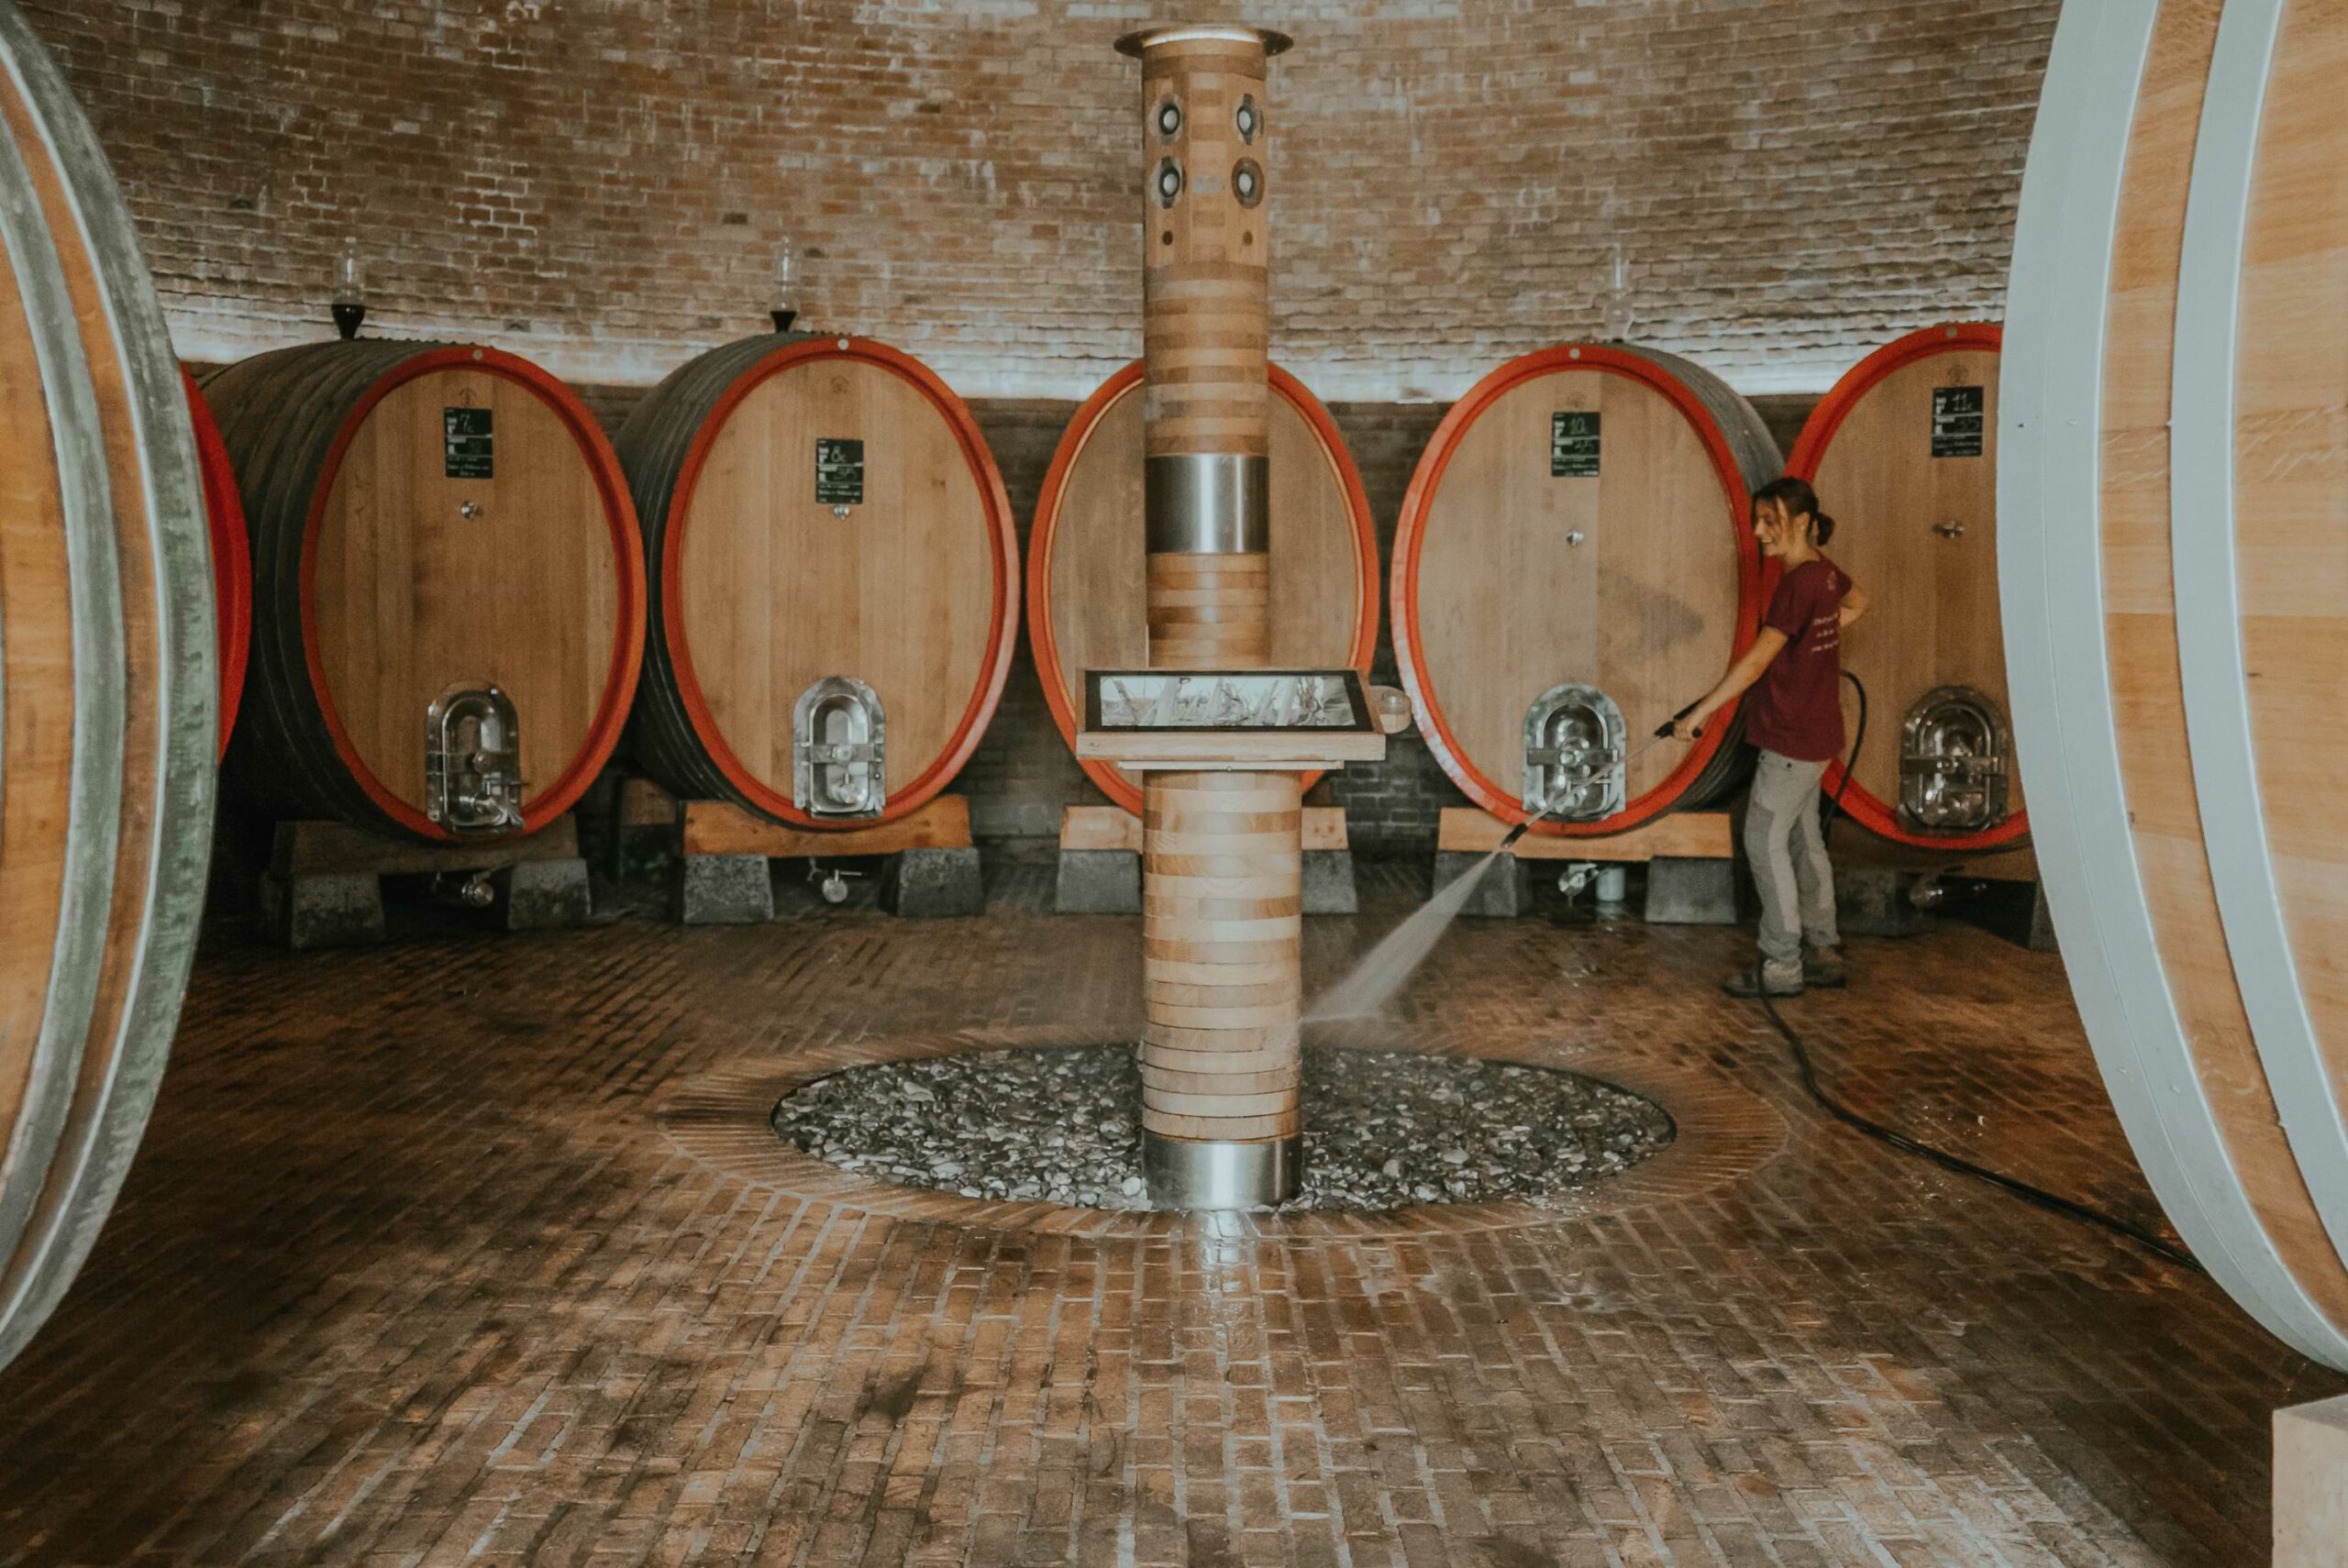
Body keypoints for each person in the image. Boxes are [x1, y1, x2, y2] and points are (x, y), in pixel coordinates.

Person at [1669, 476, 1869, 998]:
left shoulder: (1798, 585)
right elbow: (1860, 604)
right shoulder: (1825, 576)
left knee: (1763, 840)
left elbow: (1756, 662)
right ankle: (1823, 948)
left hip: (1791, 741)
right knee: (1804, 839)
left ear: (1801, 522)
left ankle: (1781, 966)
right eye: (1757, 519)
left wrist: (1699, 712)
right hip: (1821, 735)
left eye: (1770, 520)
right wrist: (1808, 648)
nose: (1758, 531)